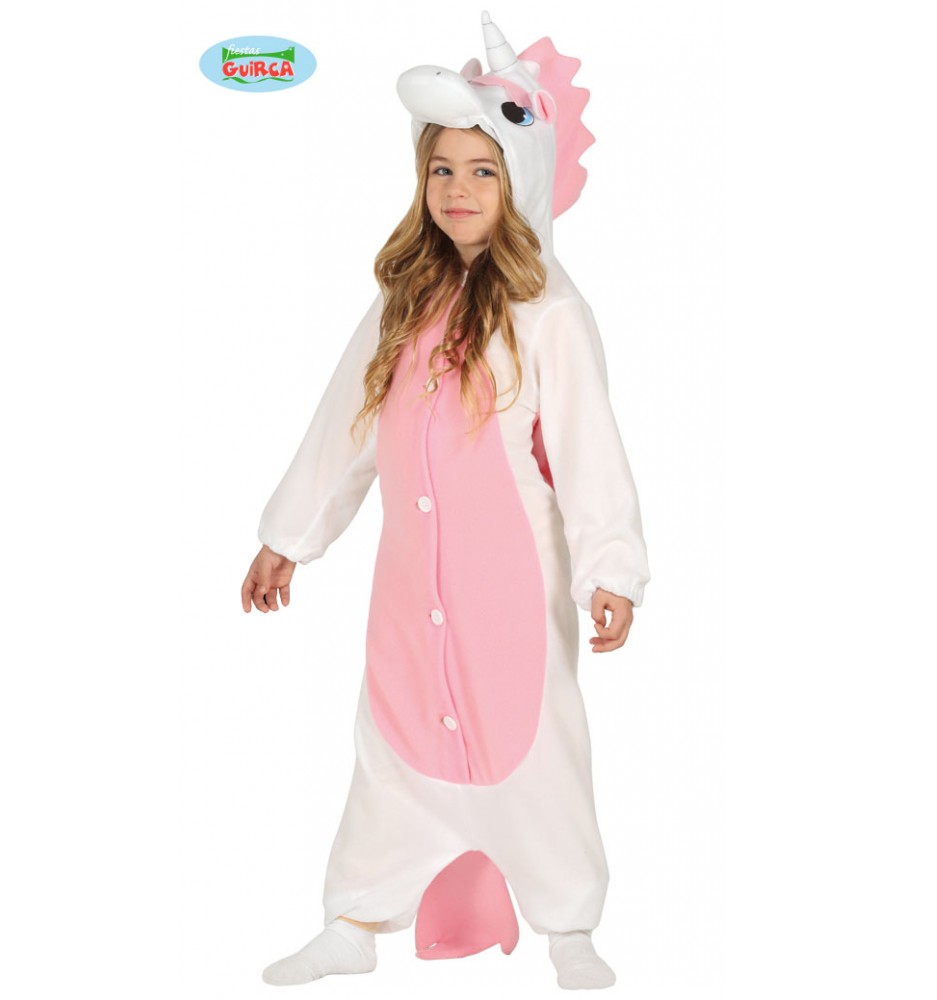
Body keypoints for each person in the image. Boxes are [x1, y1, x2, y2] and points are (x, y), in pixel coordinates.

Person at [240, 13, 650, 991]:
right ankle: (353, 918)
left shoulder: (549, 310)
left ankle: (568, 924)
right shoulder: (401, 302)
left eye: (482, 171)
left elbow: (590, 452)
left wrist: (611, 569)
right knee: (391, 741)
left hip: (509, 589)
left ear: (519, 181)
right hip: (407, 592)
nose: (458, 189)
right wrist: (288, 536)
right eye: (441, 170)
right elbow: (344, 427)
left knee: (534, 746)